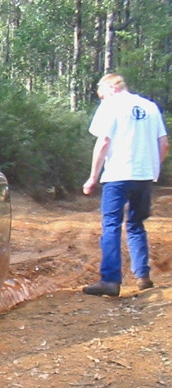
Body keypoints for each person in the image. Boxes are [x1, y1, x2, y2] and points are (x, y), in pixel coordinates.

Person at [82, 73, 169, 297]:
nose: (101, 100)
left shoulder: (111, 106)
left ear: (111, 87)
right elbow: (164, 143)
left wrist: (93, 176)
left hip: (117, 174)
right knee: (136, 224)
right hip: (144, 176)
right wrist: (153, 169)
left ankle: (110, 281)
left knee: (111, 225)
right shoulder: (150, 107)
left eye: (102, 95)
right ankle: (142, 275)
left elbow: (103, 142)